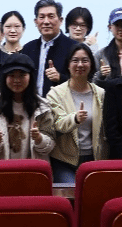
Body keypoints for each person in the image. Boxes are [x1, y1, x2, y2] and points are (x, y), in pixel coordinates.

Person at [46, 44, 107, 183]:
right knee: (71, 191)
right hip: (64, 160)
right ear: (68, 65)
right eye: (75, 60)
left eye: (85, 60)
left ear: (91, 64)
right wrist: (75, 119)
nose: (80, 65)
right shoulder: (55, 94)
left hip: (94, 159)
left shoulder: (101, 93)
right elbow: (57, 124)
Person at [0, 54, 55, 161]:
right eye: (12, 75)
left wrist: (39, 139)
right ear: (4, 77)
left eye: (22, 75)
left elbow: (50, 144)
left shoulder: (43, 107)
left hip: (33, 168)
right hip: (3, 167)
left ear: (30, 77)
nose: (17, 80)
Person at [21, 0, 72, 97]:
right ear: (36, 21)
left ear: (61, 20)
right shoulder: (28, 48)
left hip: (62, 103)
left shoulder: (73, 48)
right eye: (42, 17)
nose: (46, 21)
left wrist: (60, 78)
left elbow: (84, 82)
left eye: (51, 16)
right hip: (32, 104)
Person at [96, 7, 122, 80]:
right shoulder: (101, 55)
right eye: (117, 25)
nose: (121, 28)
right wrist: (101, 75)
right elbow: (90, 82)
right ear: (110, 27)